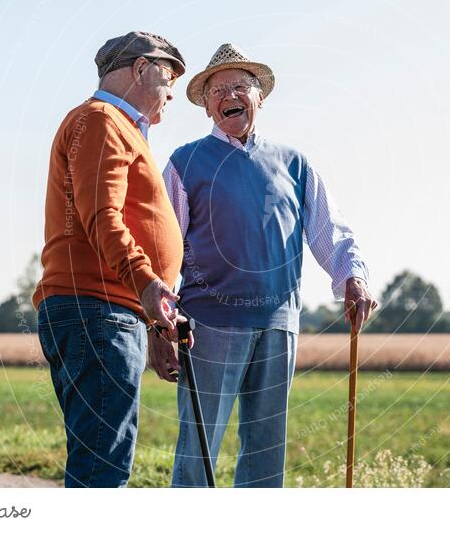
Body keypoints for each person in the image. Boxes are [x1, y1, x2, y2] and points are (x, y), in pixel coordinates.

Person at [155, 43, 378, 487]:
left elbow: (328, 229)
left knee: (265, 452)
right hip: (208, 325)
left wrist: (352, 275)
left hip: (280, 324)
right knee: (198, 451)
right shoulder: (185, 162)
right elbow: (163, 247)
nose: (228, 95)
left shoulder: (294, 163)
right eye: (217, 89)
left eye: (239, 85)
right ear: (206, 108)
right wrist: (158, 324)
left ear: (260, 97)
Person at [32, 31, 190, 487]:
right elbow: (102, 215)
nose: (172, 94)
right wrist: (145, 281)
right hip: (97, 312)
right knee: (102, 471)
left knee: (100, 460)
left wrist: (156, 322)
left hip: (107, 311)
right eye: (168, 79)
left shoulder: (113, 125)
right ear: (141, 69)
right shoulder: (103, 119)